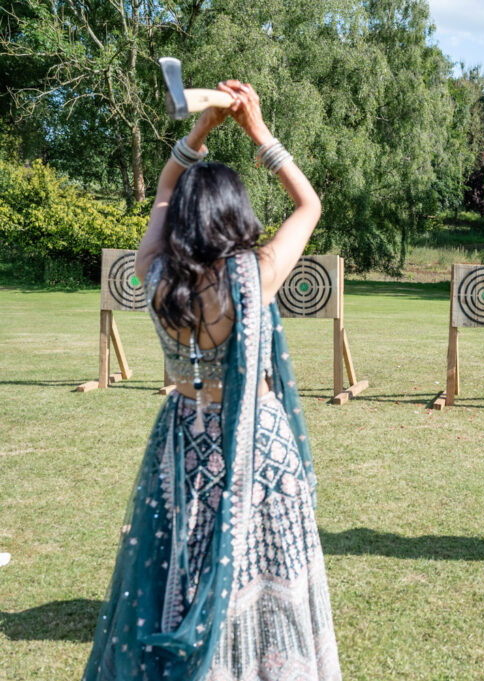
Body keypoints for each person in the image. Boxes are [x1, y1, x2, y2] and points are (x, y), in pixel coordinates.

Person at [82, 82, 342, 680]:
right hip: (256, 443)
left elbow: (166, 191)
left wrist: (196, 133)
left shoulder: (153, 277)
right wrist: (258, 131)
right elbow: (309, 206)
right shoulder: (256, 275)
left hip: (184, 441)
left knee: (187, 563)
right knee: (266, 567)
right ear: (235, 213)